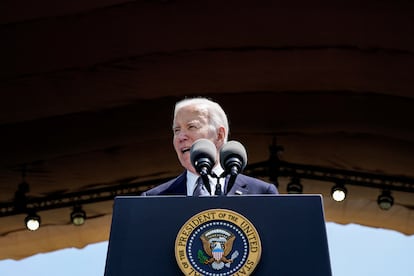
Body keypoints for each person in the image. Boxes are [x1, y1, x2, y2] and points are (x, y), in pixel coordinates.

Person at [141, 97, 278, 196]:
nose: (181, 137)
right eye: (176, 130)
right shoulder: (154, 198)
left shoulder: (262, 193)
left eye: (192, 127)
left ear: (219, 135)